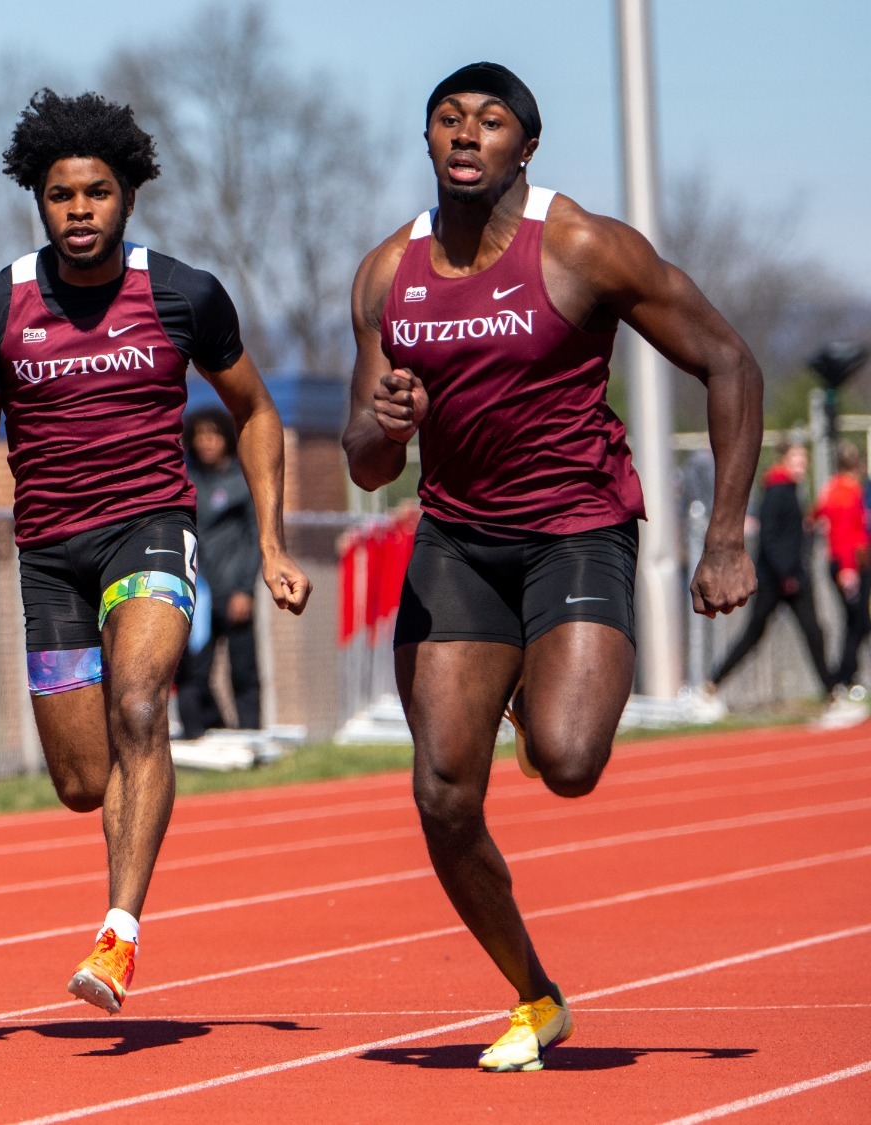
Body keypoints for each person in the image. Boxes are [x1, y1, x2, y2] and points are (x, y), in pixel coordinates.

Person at [342, 63, 761, 1072]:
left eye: (488, 122)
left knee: (569, 763)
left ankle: (534, 698)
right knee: (442, 794)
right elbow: (363, 464)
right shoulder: (384, 273)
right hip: (455, 538)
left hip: (575, 526)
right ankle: (532, 992)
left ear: (522, 147)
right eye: (446, 119)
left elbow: (728, 360)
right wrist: (382, 424)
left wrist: (726, 534)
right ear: (428, 140)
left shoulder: (575, 244)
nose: (464, 134)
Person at [0, 90, 309, 1014]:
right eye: (61, 194)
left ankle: (119, 930)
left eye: (97, 193)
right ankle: (129, 818)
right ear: (38, 199)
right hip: (51, 551)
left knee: (142, 703)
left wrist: (270, 540)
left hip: (150, 526)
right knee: (79, 780)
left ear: (129, 198)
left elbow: (257, 411)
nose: (79, 211)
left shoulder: (184, 293)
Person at [705, 442, 845, 713]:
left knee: (814, 632)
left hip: (795, 578)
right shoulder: (777, 490)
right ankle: (712, 684)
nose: (802, 464)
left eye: (804, 459)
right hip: (777, 580)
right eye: (797, 458)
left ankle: (831, 692)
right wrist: (786, 573)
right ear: (784, 460)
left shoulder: (792, 490)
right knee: (754, 633)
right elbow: (769, 538)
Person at [175, 408, 262, 735]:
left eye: (214, 434)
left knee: (243, 672)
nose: (207, 442)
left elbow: (255, 540)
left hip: (234, 592)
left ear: (226, 437)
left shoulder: (242, 481)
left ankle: (250, 737)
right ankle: (202, 733)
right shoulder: (185, 481)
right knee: (192, 673)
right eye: (200, 435)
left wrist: (246, 589)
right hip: (196, 594)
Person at [818, 442, 871, 703]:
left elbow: (817, 515)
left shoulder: (831, 489)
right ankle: (844, 677)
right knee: (858, 622)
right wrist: (849, 569)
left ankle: (847, 676)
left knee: (856, 622)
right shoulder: (847, 492)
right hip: (848, 564)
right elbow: (845, 536)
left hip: (843, 562)